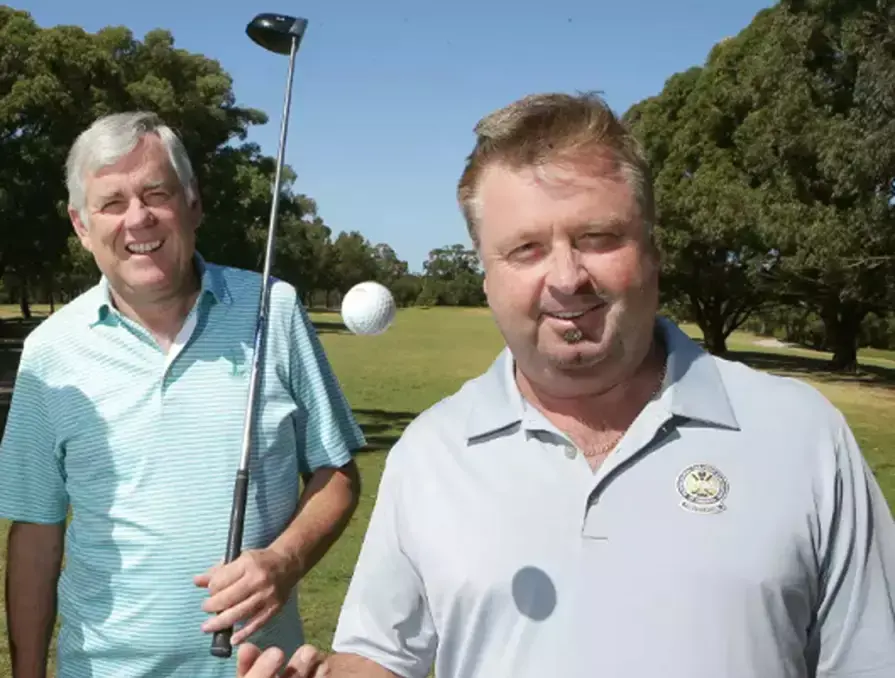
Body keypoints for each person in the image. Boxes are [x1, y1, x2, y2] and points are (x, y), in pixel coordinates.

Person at [239, 91, 895, 678]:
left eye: (599, 237)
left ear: (652, 252)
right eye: (524, 249)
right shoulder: (431, 453)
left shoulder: (800, 435)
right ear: (486, 277)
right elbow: (381, 655)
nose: (566, 278)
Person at [0, 111, 366, 678]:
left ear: (192, 202)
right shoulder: (50, 351)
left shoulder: (274, 310)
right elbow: (35, 535)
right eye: (112, 203)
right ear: (81, 225)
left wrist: (285, 560)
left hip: (255, 668)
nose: (138, 218)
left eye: (156, 193)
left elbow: (337, 473)